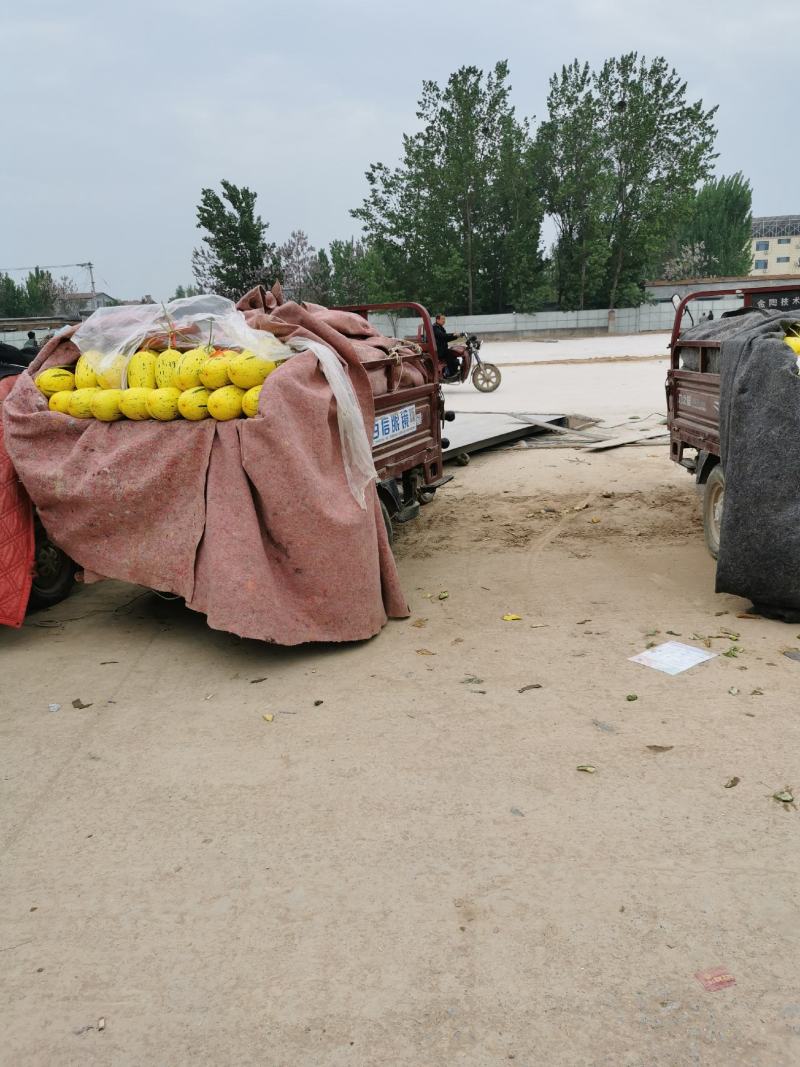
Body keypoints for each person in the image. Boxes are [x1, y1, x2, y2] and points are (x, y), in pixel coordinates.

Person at [432, 314, 462, 379]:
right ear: (437, 320)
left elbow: (446, 337)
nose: (444, 321)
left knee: (453, 353)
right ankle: (452, 373)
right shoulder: (435, 328)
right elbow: (443, 336)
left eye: (444, 319)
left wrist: (456, 336)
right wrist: (454, 335)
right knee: (450, 354)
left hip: (442, 349)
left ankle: (455, 370)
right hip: (439, 351)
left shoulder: (439, 327)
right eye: (442, 319)